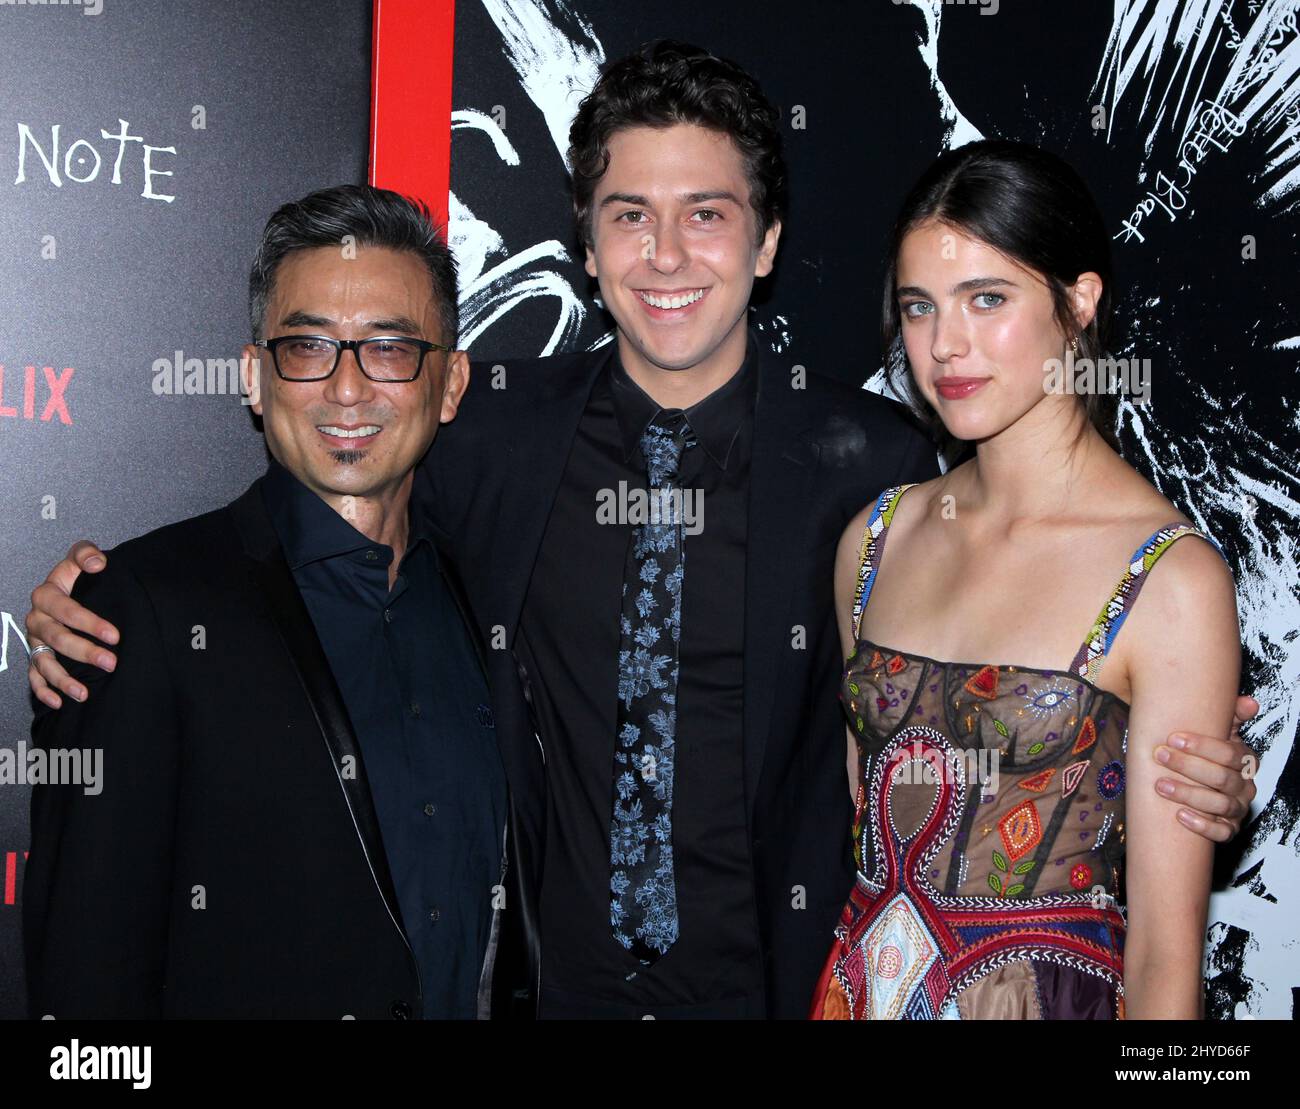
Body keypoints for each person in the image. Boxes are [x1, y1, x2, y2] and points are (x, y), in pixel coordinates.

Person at [25, 43, 1259, 1020]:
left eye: (708, 213)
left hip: (793, 994)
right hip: (541, 999)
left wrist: (1171, 760)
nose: (665, 253)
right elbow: (312, 512)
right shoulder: (479, 431)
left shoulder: (874, 471)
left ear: (767, 242)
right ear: (587, 238)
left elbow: (990, 689)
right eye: (628, 213)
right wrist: (91, 591)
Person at [24, 185, 519, 1019]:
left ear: (450, 382)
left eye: (391, 349)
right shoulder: (137, 611)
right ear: (255, 377)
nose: (348, 389)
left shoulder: (498, 596)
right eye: (308, 348)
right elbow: (85, 976)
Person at [811, 140, 1239, 1020]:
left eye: (989, 299)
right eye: (919, 307)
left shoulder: (1169, 579)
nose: (946, 345)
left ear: (1078, 304)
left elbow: (1165, 959)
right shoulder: (874, 540)